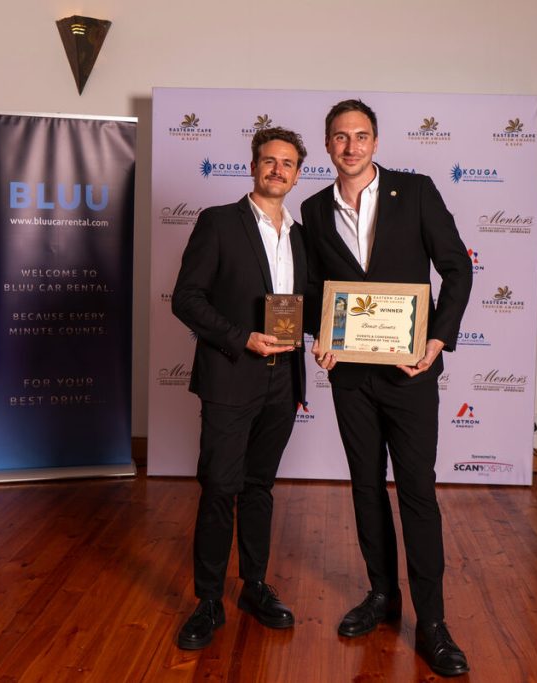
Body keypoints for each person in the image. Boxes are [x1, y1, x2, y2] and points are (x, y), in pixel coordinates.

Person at [301, 99, 472, 677]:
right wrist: (318, 337)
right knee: (366, 488)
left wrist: (438, 341)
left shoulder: (416, 191)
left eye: (361, 136)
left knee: (418, 492)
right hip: (349, 377)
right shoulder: (313, 207)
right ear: (327, 145)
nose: (351, 147)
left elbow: (457, 267)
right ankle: (381, 595)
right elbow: (317, 291)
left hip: (411, 372)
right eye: (340, 138)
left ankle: (433, 621)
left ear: (376, 141)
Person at [171, 127, 308, 650]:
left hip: (283, 378)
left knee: (259, 487)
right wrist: (240, 337)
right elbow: (187, 298)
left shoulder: (300, 235)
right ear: (253, 166)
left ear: (297, 174)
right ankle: (208, 600)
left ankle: (254, 586)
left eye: (288, 163)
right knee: (219, 488)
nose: (278, 169)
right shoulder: (219, 223)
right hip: (231, 373)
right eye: (269, 160)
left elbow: (310, 303)